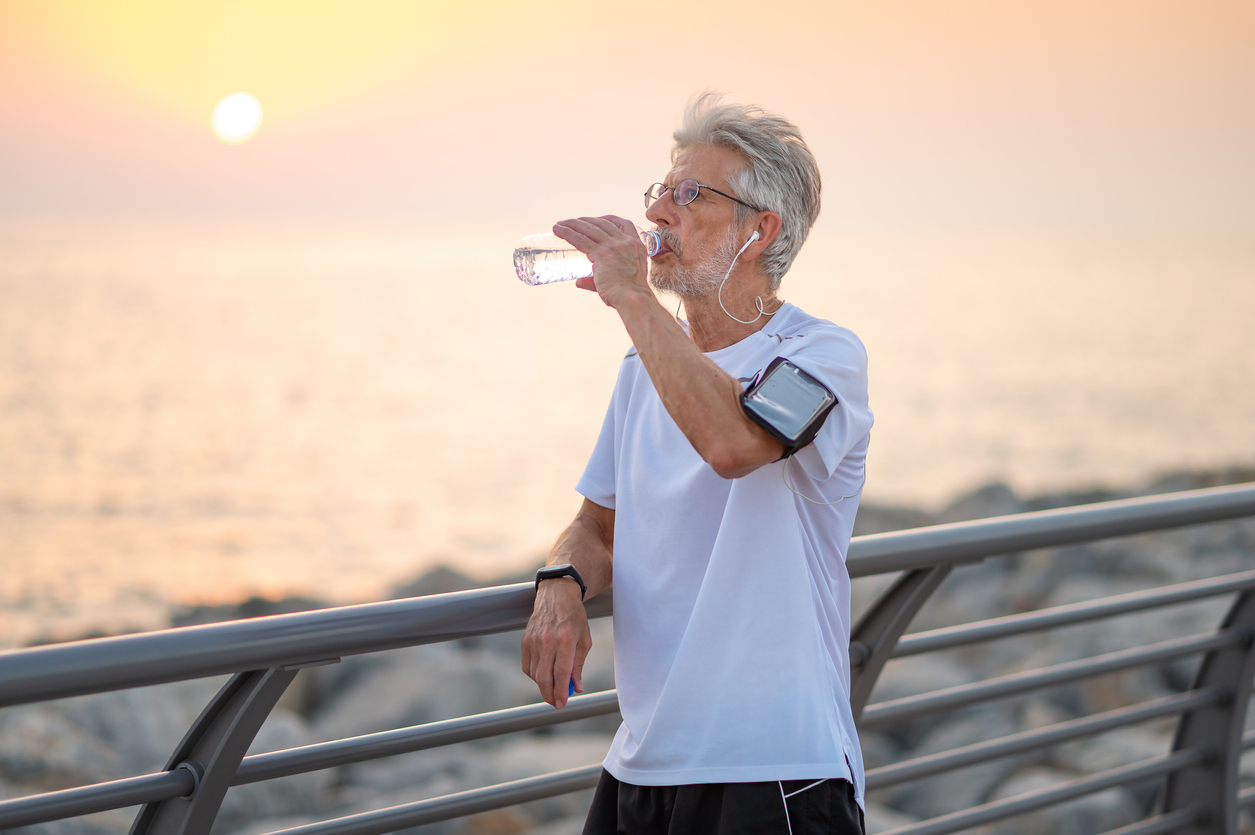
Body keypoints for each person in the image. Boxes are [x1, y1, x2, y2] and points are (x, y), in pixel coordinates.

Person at [521, 93, 872, 835]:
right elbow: (597, 527)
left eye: (689, 195)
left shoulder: (820, 355)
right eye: (660, 192)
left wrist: (631, 299)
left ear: (759, 231)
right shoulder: (640, 363)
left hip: (772, 769)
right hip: (640, 766)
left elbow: (733, 445)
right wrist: (559, 580)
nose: (657, 215)